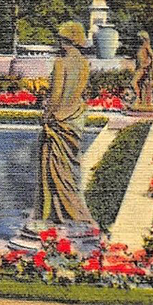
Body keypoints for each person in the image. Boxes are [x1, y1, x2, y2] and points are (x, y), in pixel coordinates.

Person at [35, 21, 96, 224]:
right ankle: (71, 211)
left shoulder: (61, 63)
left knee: (54, 169)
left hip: (59, 119)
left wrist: (46, 115)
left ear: (66, 40)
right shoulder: (84, 63)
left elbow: (55, 95)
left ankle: (56, 214)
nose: (58, 42)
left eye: (60, 38)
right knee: (68, 169)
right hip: (76, 118)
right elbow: (79, 92)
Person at [132, 30, 153, 108]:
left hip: (143, 69)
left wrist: (150, 65)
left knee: (133, 83)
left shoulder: (146, 45)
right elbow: (138, 58)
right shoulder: (140, 46)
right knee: (140, 84)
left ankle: (138, 98)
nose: (139, 39)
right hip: (139, 68)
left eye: (140, 37)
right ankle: (140, 99)